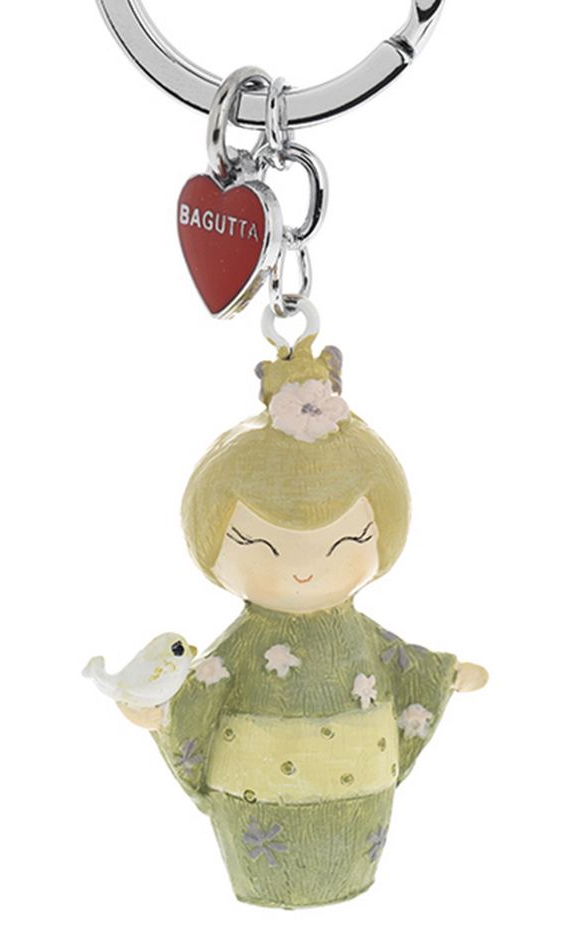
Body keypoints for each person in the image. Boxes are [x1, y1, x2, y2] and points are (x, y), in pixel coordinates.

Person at [116, 337, 488, 908]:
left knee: (346, 846)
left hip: (360, 803)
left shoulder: (357, 636)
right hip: (253, 805)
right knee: (266, 855)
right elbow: (202, 689)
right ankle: (265, 883)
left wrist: (444, 674)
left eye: (347, 540)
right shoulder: (243, 645)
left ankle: (347, 873)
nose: (303, 570)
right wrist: (161, 712)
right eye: (257, 544)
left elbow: (401, 661)